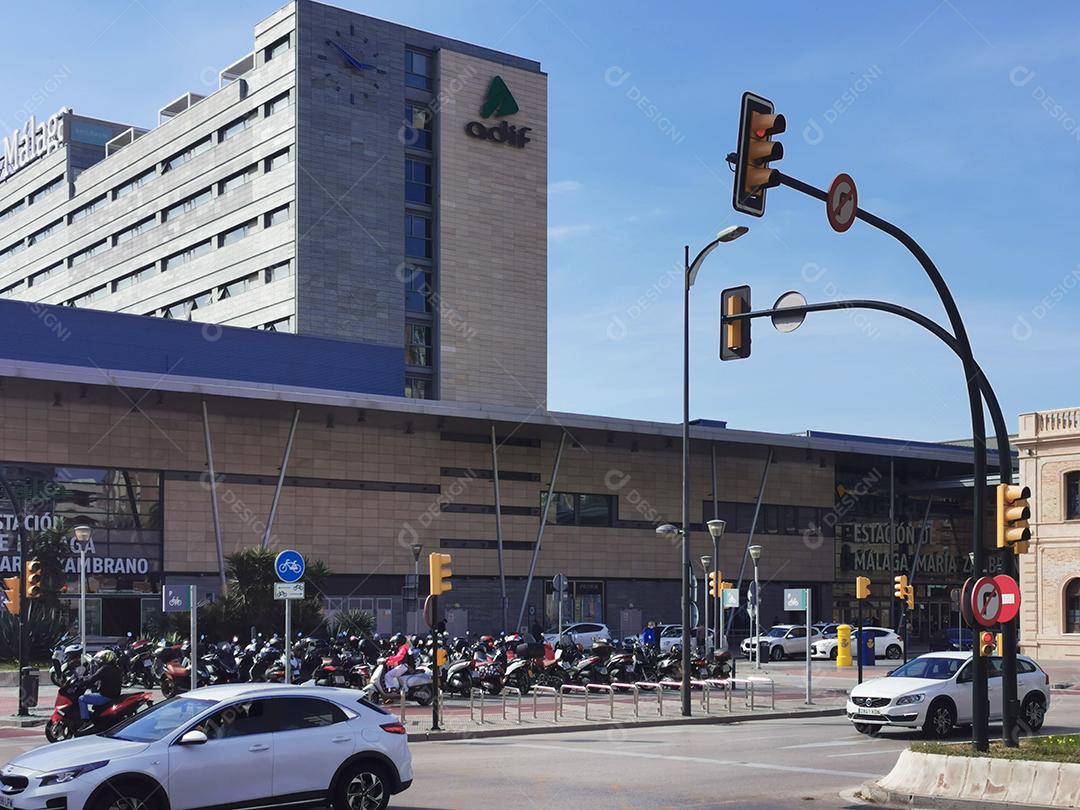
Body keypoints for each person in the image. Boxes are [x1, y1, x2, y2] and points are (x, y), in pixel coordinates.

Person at [78, 649, 121, 730]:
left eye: (102, 659)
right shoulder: (117, 668)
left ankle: (86, 721)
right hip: (114, 695)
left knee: (82, 699)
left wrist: (81, 683)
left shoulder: (105, 668)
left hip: (105, 696)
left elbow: (92, 679)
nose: (100, 661)